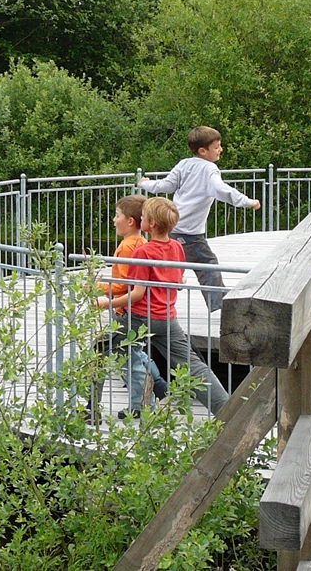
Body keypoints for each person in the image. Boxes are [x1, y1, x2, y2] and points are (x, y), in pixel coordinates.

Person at [98, 197, 228, 417]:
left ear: (152, 224)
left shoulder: (143, 252)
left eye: (144, 217)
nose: (141, 218)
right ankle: (227, 411)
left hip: (139, 318)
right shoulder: (177, 247)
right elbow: (177, 283)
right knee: (194, 366)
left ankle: (91, 410)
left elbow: (137, 294)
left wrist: (105, 303)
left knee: (99, 353)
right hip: (167, 318)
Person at [139, 126, 260, 311]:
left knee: (171, 266)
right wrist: (247, 202)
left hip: (171, 226)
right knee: (207, 265)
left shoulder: (184, 164)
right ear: (203, 151)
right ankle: (220, 307)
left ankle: (149, 299)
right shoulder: (210, 169)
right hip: (189, 232)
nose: (221, 150)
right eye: (217, 147)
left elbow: (166, 185)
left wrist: (146, 184)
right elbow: (222, 190)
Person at [93, 195, 168, 414]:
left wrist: (99, 288)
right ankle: (158, 387)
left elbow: (124, 285)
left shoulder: (128, 247)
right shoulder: (141, 243)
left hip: (125, 312)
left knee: (128, 358)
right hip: (137, 311)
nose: (114, 220)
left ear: (130, 222)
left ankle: (139, 405)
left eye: (117, 216)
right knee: (136, 353)